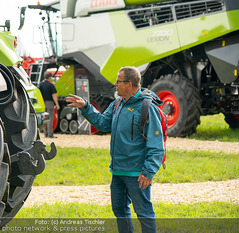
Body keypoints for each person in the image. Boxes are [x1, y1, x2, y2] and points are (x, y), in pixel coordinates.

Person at [66, 66, 164, 233]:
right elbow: (103, 123)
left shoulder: (148, 107)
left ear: (130, 84)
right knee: (119, 211)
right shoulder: (117, 103)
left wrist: (148, 171)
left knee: (144, 213)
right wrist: (85, 107)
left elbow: (156, 144)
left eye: (119, 81)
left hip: (137, 173)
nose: (115, 84)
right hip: (117, 171)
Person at [39, 71, 60, 138]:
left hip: (42, 103)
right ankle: (50, 134)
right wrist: (57, 104)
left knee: (44, 118)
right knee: (50, 118)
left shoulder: (40, 84)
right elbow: (54, 95)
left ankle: (45, 133)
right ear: (50, 77)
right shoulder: (51, 85)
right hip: (50, 103)